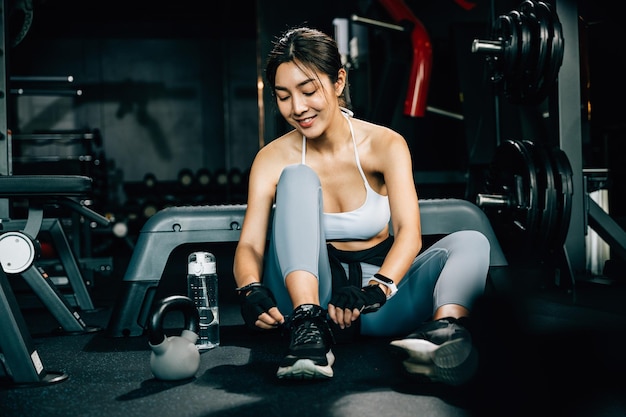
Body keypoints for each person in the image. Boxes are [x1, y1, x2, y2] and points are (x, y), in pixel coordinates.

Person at [233, 26, 491, 385]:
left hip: (373, 305)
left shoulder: (385, 145)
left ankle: (444, 336)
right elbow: (249, 244)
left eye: (308, 91)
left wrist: (378, 288)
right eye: (283, 96)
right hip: (308, 299)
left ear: (339, 81)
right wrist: (249, 289)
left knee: (472, 241)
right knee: (298, 177)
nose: (298, 108)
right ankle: (310, 333)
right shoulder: (272, 159)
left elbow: (409, 235)